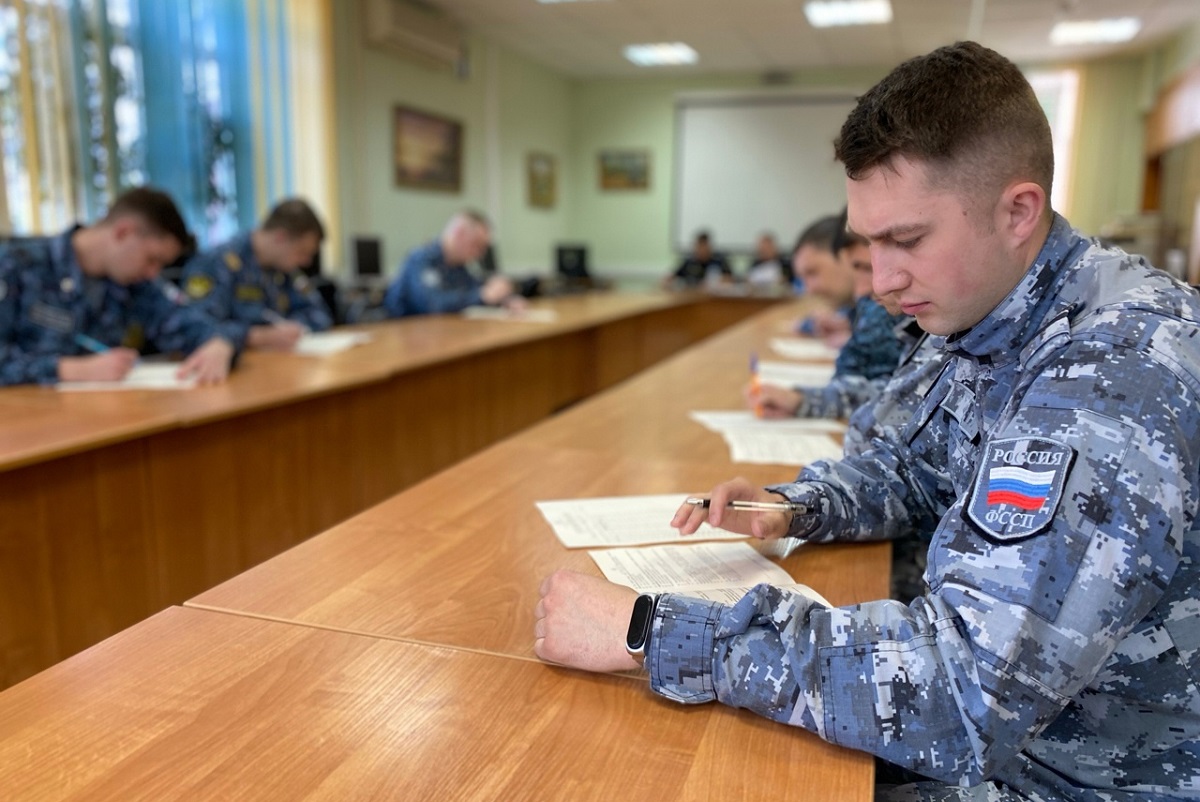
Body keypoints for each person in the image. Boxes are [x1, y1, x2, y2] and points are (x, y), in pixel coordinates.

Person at [535, 40, 1200, 800]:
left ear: (1018, 212)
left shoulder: (1112, 371)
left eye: (906, 240)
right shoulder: (984, 307)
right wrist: (799, 504)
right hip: (1019, 745)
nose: (880, 280)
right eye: (867, 243)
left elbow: (963, 693)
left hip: (1071, 777)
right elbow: (916, 463)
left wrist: (652, 632)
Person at [0, 186, 236, 386]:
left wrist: (218, 344)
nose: (153, 272)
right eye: (152, 259)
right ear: (123, 232)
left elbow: (188, 322)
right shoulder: (17, 266)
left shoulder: (135, 284)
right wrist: (67, 370)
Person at [753, 209, 907, 420]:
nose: (808, 289)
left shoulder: (882, 305)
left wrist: (803, 400)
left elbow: (853, 375)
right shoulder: (863, 305)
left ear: (840, 258)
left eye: (813, 273)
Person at [181, 198, 332, 351]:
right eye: (302, 252)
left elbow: (319, 314)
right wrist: (254, 336)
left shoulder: (285, 269)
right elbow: (196, 326)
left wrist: (294, 328)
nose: (306, 262)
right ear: (281, 237)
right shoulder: (215, 263)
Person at [383, 210, 521, 317]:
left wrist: (503, 299)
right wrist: (483, 296)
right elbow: (432, 305)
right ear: (459, 234)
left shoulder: (459, 266)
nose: (479, 254)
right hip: (408, 339)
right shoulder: (420, 260)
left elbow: (474, 290)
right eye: (477, 245)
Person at [666, 231, 732, 288]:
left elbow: (730, 278)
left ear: (709, 247)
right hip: (691, 294)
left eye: (704, 246)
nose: (701, 250)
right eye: (699, 247)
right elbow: (672, 277)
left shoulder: (718, 260)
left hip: (713, 296)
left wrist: (715, 282)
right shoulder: (689, 262)